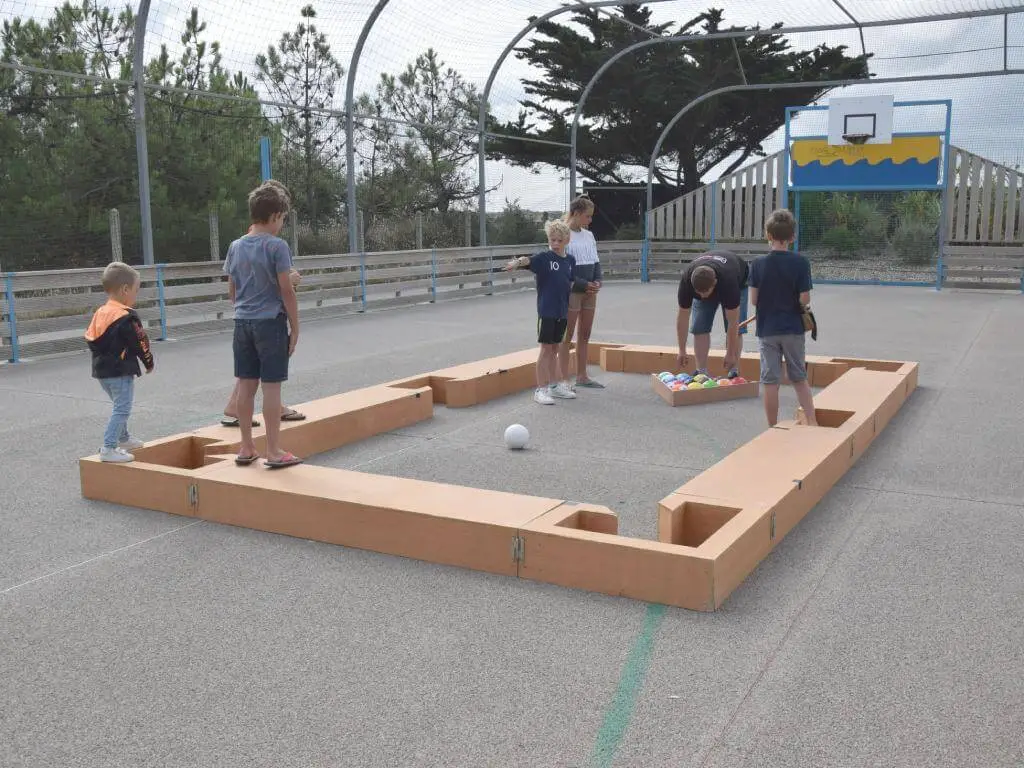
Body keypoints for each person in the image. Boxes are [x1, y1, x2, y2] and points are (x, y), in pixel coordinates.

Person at [223, 182, 302, 468]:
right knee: (271, 387)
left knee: (246, 385)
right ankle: (273, 450)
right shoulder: (277, 246)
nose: (281, 224)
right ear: (275, 216)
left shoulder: (235, 246)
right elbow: (286, 290)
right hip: (270, 324)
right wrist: (295, 327)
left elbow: (232, 291)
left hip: (242, 323)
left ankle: (246, 447)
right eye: (282, 218)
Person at [504, 219, 588, 405]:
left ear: (567, 240)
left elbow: (570, 281)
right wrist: (518, 262)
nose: (555, 244)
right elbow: (528, 260)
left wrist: (587, 285)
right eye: (552, 240)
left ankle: (554, 386)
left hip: (562, 312)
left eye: (559, 240)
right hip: (547, 311)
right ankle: (540, 389)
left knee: (555, 349)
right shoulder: (544, 258)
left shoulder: (570, 261)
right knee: (546, 350)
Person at [748, 208, 817, 427]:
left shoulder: (758, 264)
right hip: (793, 328)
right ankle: (812, 421)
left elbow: (754, 300)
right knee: (799, 377)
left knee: (770, 380)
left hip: (767, 329)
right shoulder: (801, 263)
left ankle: (772, 426)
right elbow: (804, 298)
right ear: (792, 237)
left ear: (768, 235)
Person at [84, 261, 155, 463]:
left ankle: (123, 437)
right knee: (122, 408)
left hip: (101, 371)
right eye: (135, 290)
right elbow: (140, 342)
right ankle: (108, 447)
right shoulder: (126, 316)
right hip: (120, 371)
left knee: (118, 405)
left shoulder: (101, 312)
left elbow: (91, 338)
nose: (135, 295)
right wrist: (148, 362)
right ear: (125, 290)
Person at [675, 249, 750, 379]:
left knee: (736, 329)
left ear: (714, 283)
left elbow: (733, 322)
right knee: (699, 326)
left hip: (738, 281)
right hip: (711, 277)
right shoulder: (687, 281)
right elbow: (683, 317)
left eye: (706, 292)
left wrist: (730, 353)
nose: (703, 296)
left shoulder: (728, 281)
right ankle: (701, 371)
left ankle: (734, 370)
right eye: (699, 293)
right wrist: (681, 350)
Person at [561, 195, 604, 389]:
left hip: (589, 289)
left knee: (585, 334)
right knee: (566, 335)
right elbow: (564, 269)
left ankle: (582, 375)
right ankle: (562, 379)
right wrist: (583, 284)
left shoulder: (589, 235)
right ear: (576, 214)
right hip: (573, 290)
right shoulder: (563, 234)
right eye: (587, 216)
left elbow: (595, 261)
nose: (590, 220)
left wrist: (598, 280)